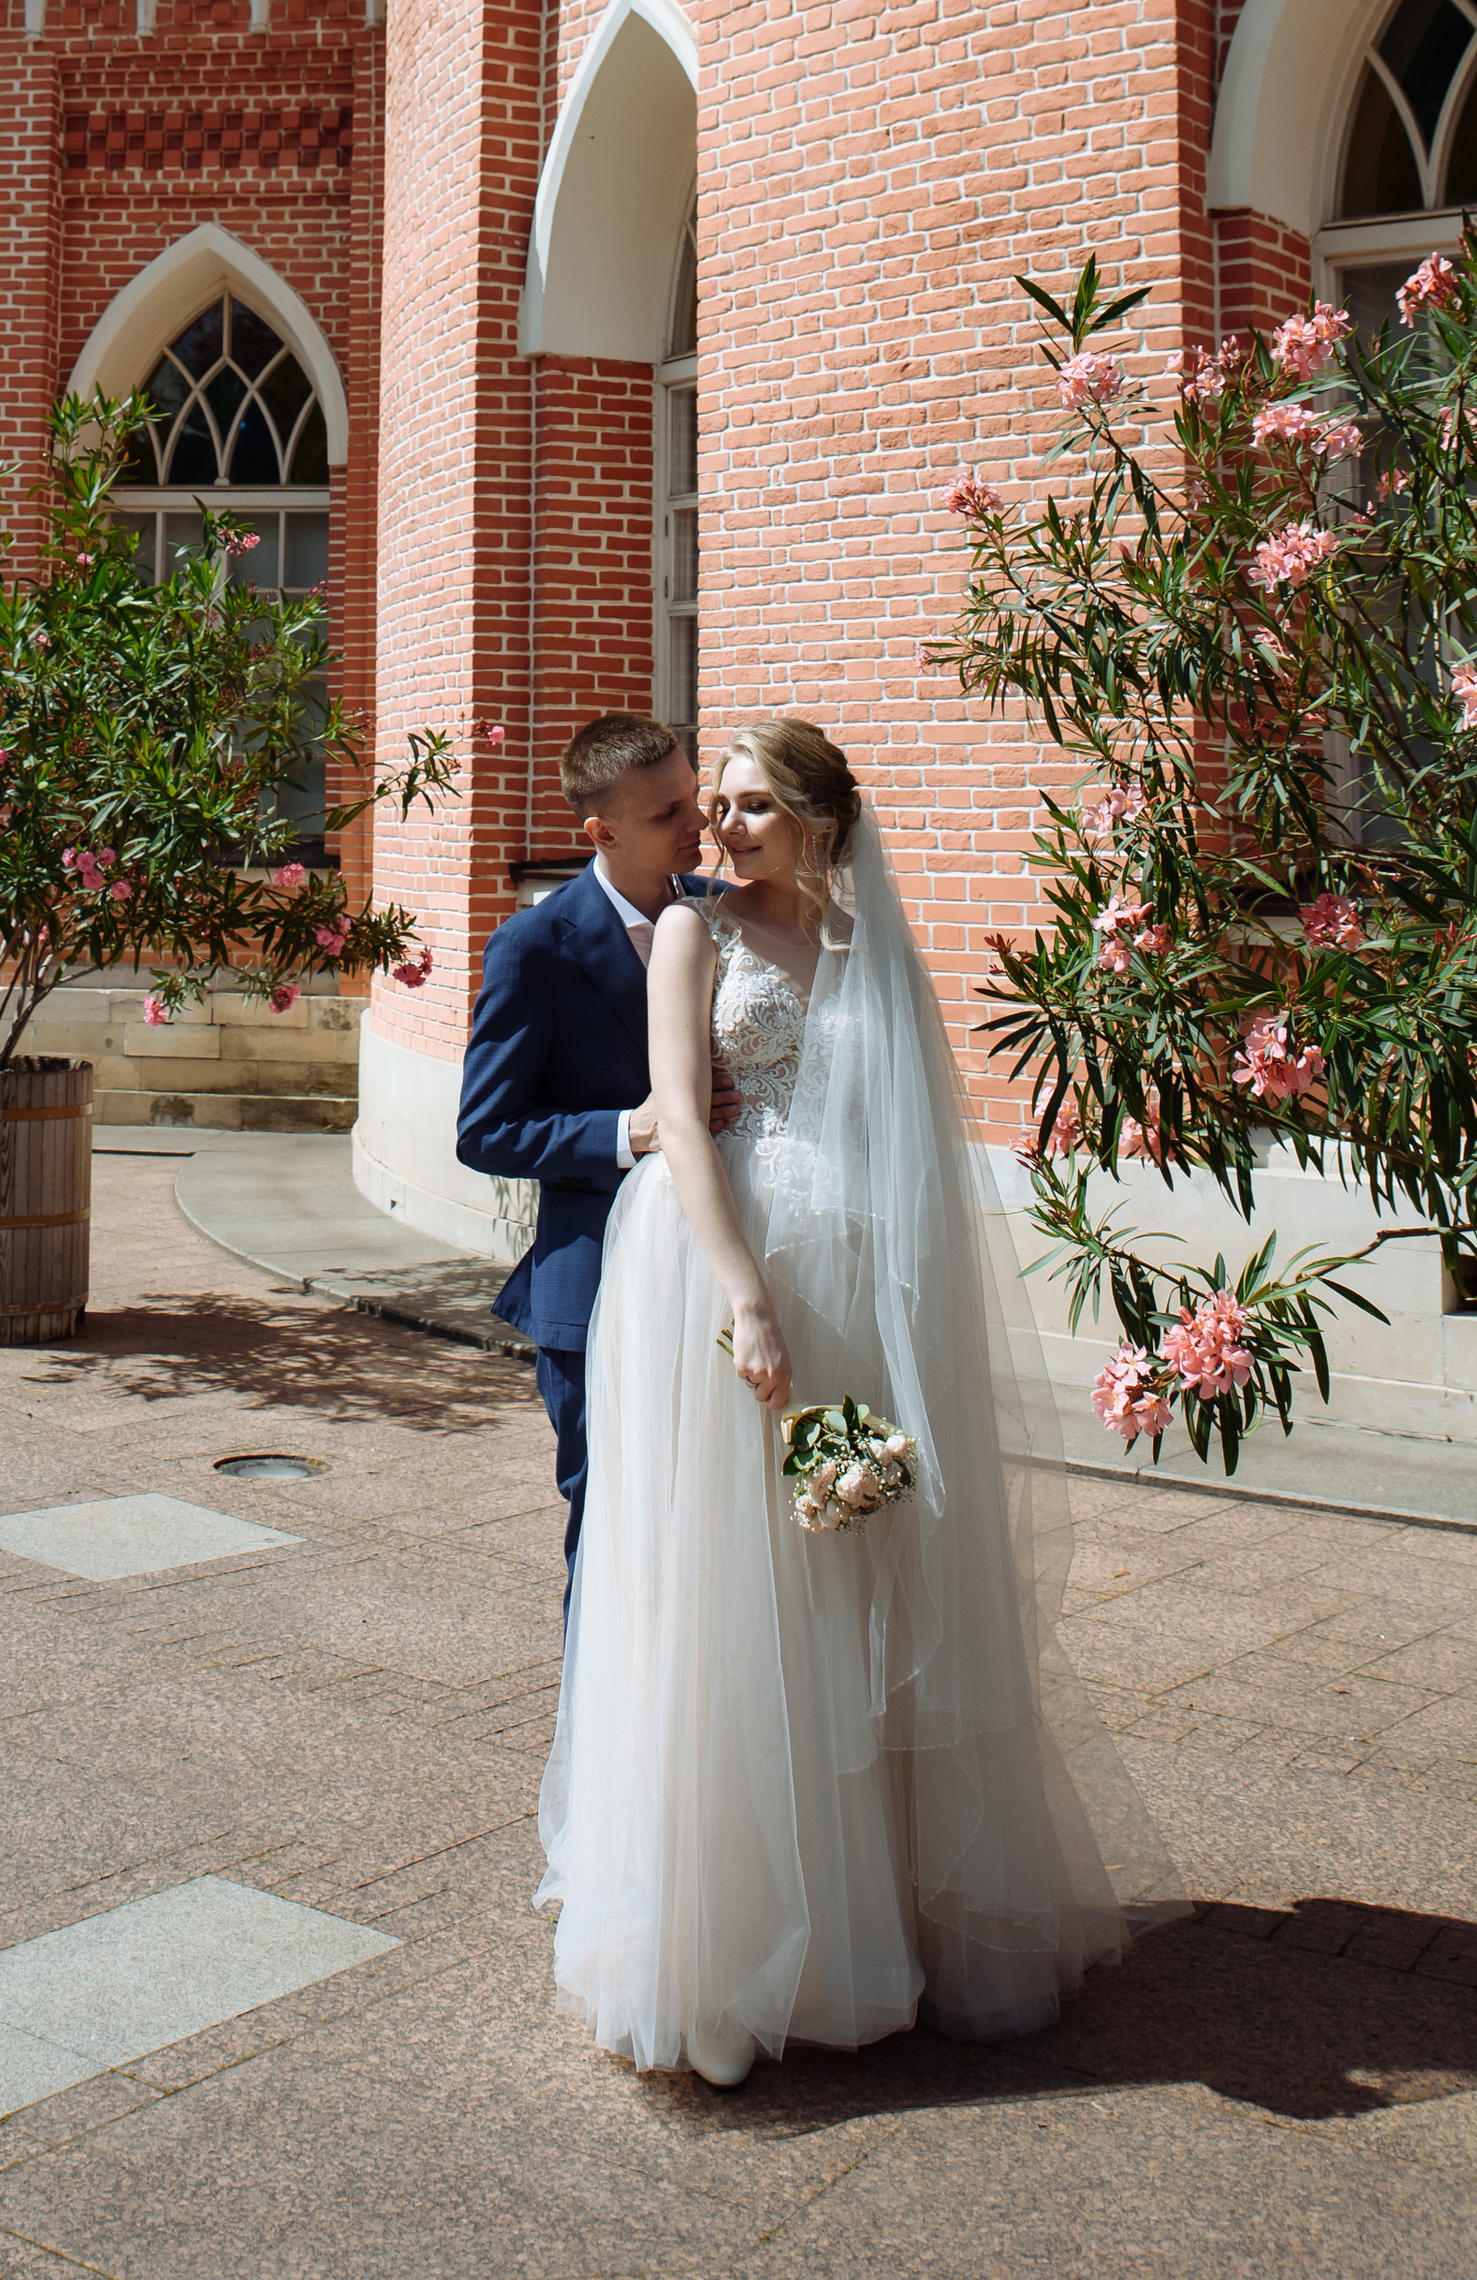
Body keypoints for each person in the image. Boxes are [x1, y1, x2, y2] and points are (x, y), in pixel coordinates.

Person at [538, 714, 1172, 2083]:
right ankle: (733, 1931)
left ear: (822, 816)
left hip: (855, 1294)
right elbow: (682, 1124)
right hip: (716, 1279)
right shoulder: (695, 934)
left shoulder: (873, 945)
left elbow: (915, 1147)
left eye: (756, 803)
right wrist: (743, 1292)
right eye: (719, 803)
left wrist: (904, 1304)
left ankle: (870, 1919)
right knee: (728, 1582)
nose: (724, 825)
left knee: (851, 1567)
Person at [454, 715, 729, 1587]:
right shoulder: (535, 946)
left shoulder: (727, 917)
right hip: (596, 1282)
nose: (699, 825)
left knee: (715, 1524)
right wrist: (630, 1131)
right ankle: (595, 1721)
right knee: (611, 1521)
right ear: (600, 832)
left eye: (696, 797)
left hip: (723, 1274)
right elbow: (485, 1129)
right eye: (667, 814)